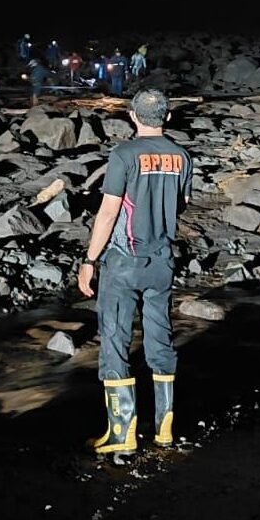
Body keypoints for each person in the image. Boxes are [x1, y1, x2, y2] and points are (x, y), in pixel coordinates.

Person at [78, 89, 194, 454]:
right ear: (168, 117)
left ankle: (121, 433)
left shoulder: (124, 154)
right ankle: (164, 429)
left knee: (115, 340)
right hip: (161, 261)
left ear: (132, 116)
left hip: (124, 261)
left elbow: (109, 211)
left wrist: (89, 260)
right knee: (160, 340)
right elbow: (182, 204)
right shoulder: (181, 155)